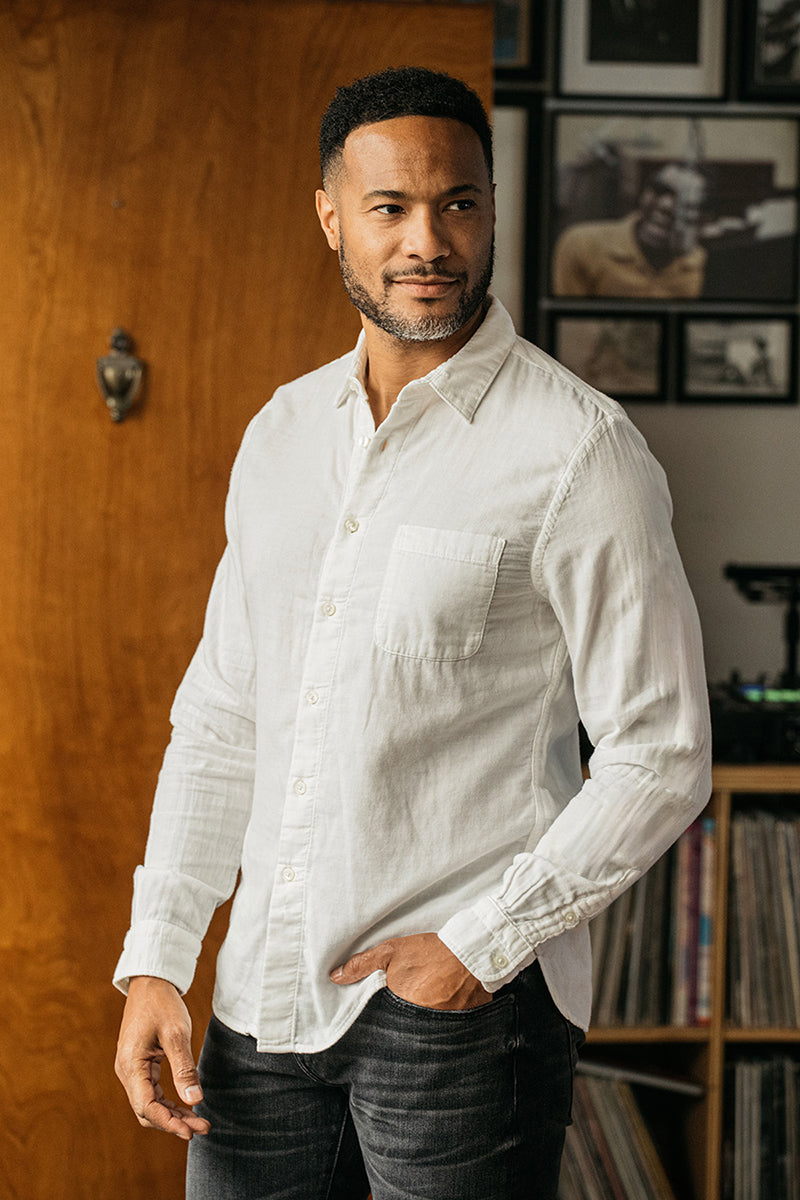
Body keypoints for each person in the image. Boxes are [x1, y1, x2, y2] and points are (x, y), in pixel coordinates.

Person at [114, 67, 712, 1200]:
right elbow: (223, 719)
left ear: (490, 209)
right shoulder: (282, 433)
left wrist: (478, 949)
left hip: (459, 1023)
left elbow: (661, 751)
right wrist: (158, 956)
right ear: (331, 216)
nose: (427, 241)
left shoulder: (579, 451)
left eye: (458, 205)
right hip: (260, 1005)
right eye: (389, 207)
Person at [552, 162, 708, 298]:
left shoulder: (699, 261)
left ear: (705, 218)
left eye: (685, 200)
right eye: (659, 190)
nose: (666, 205)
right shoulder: (583, 244)